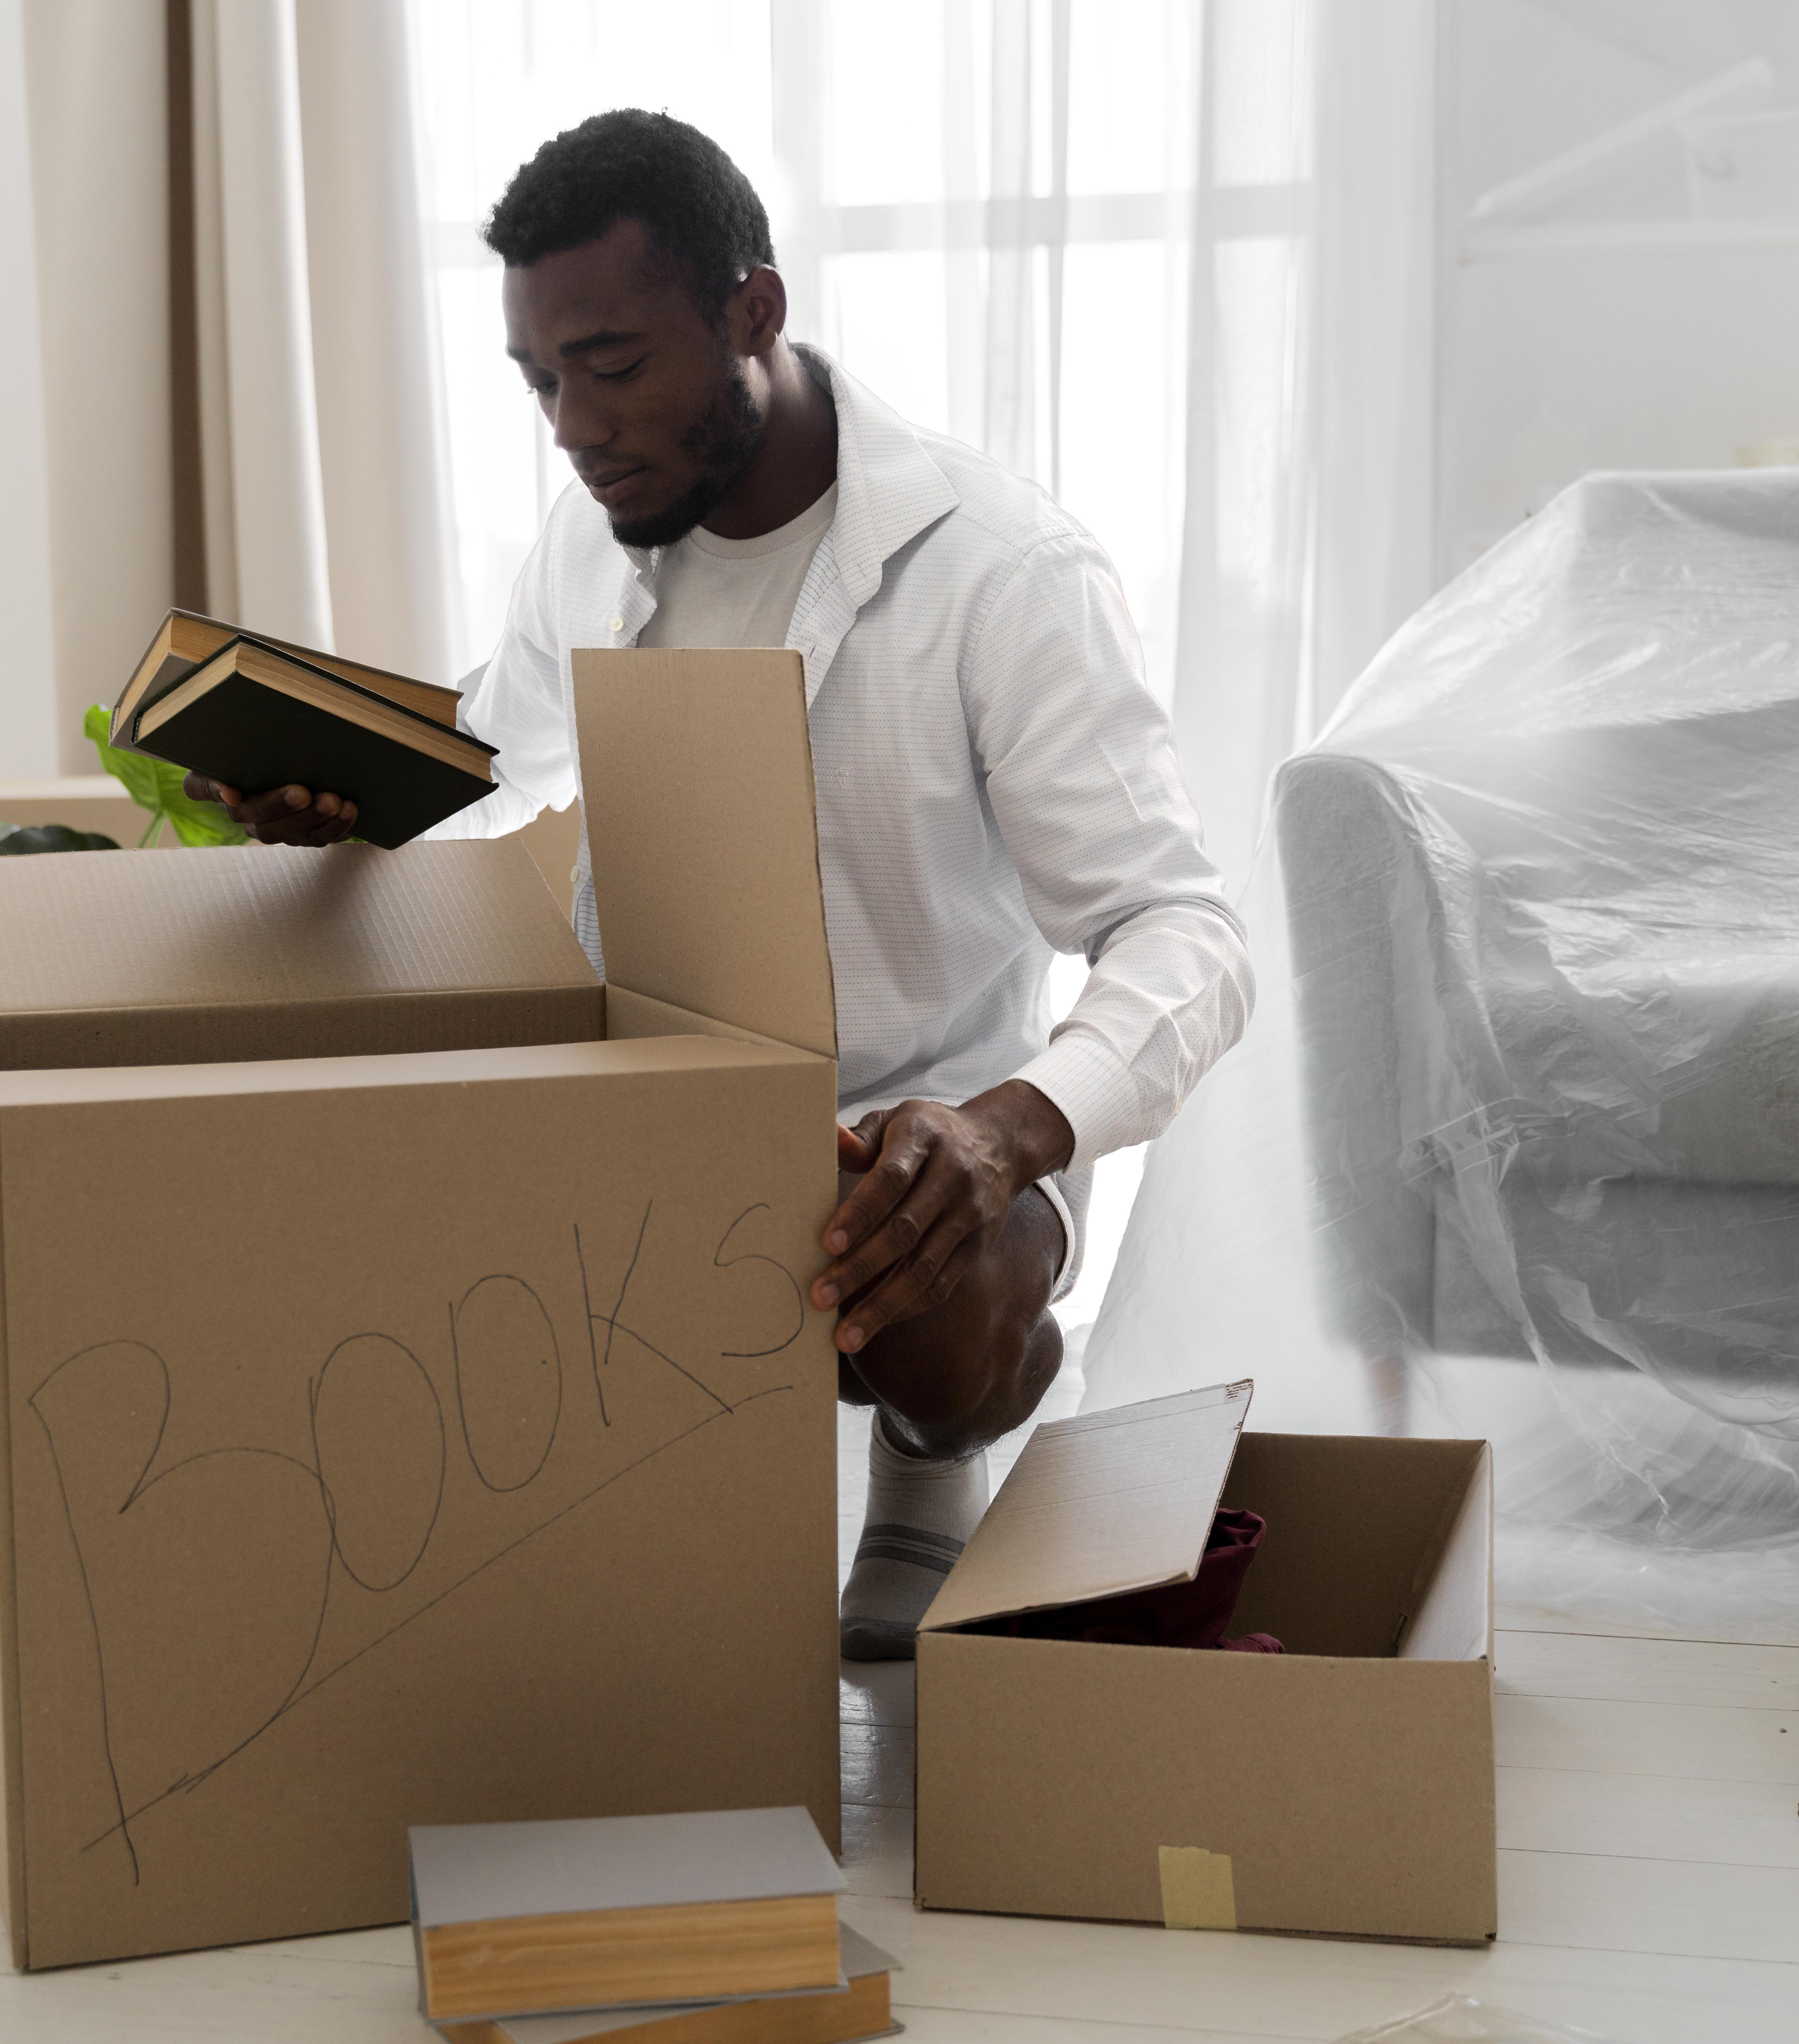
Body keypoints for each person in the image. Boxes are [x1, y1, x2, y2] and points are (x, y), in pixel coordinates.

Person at [192, 110, 1250, 1660]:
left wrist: (999, 1131)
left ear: (752, 312)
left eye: (612, 366)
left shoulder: (1004, 573)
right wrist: (349, 805)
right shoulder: (589, 536)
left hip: (907, 1136)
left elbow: (1185, 931)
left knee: (928, 1308)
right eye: (539, 380)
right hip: (657, 1092)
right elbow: (507, 759)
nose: (570, 422)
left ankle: (928, 1456)